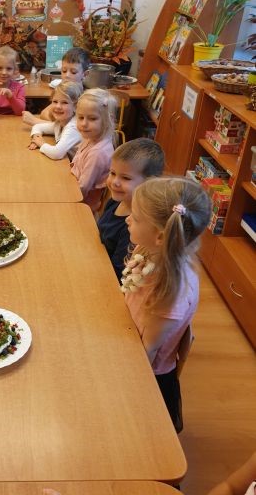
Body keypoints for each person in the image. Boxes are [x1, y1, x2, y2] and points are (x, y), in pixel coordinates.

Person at [123, 176, 211, 432]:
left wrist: (124, 387)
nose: (127, 219)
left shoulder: (171, 293)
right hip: (125, 334)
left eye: (135, 217)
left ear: (161, 236)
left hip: (147, 374)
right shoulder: (148, 249)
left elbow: (147, 351)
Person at [98, 138, 165, 279]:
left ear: (149, 182)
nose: (115, 182)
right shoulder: (115, 201)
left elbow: (116, 272)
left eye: (126, 178)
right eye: (112, 173)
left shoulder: (134, 226)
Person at [70, 89, 117, 211]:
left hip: (82, 206)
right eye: (80, 117)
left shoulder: (98, 153)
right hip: (73, 188)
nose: (84, 124)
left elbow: (83, 188)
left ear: (108, 120)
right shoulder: (90, 137)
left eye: (92, 118)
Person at [22, 47, 90, 125]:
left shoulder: (87, 99)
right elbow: (44, 113)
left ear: (85, 74)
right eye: (64, 71)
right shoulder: (63, 91)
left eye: (73, 72)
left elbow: (75, 128)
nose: (67, 75)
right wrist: (58, 123)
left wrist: (36, 121)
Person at [28, 81, 82, 160]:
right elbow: (37, 126)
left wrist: (41, 143)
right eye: (55, 101)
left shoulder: (73, 127)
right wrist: (36, 138)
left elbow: (56, 154)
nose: (58, 106)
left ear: (75, 106)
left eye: (64, 102)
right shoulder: (60, 122)